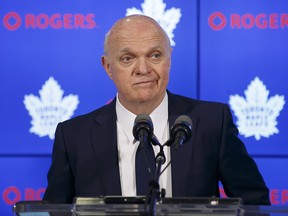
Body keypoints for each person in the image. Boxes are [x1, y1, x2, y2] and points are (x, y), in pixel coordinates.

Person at [43, 15, 270, 205]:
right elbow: (54, 210)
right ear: (108, 67)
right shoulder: (74, 136)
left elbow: (254, 201)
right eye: (128, 58)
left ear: (169, 58)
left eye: (155, 55)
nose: (143, 69)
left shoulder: (211, 123)